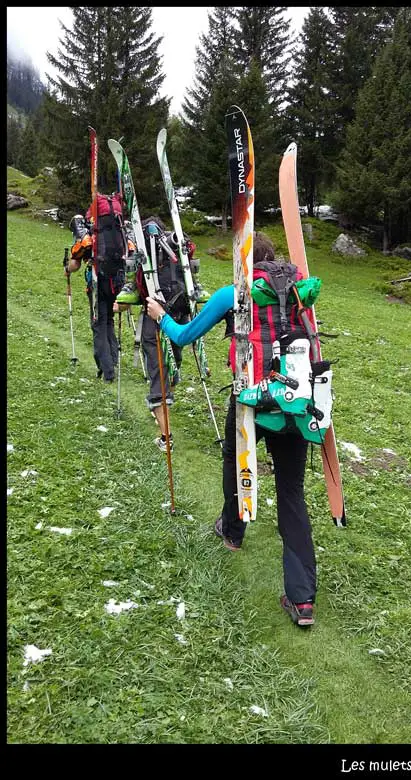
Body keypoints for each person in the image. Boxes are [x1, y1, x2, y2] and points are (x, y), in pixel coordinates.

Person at [146, 231, 326, 628]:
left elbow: (184, 335)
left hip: (250, 399)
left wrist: (160, 316)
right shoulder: (298, 294)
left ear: (244, 263)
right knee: (291, 492)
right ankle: (303, 600)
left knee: (235, 459)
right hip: (295, 402)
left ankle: (232, 530)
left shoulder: (234, 295)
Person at [114, 216, 206, 453]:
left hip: (154, 321)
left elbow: (128, 296)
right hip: (180, 320)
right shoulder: (177, 256)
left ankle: (166, 436)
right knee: (172, 365)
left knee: (158, 374)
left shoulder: (145, 261)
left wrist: (120, 304)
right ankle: (162, 408)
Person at [67, 195, 133, 382]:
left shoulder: (91, 233)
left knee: (98, 323)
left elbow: (75, 263)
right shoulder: (121, 232)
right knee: (109, 320)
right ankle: (112, 361)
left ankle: (106, 370)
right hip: (118, 281)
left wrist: (67, 268)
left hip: (98, 281)